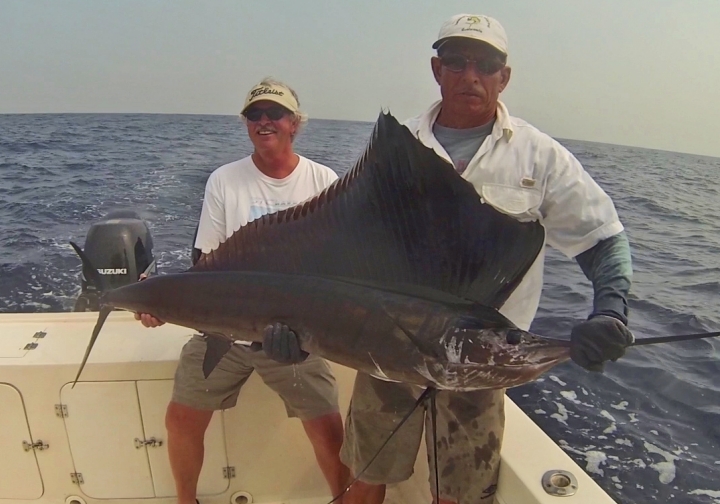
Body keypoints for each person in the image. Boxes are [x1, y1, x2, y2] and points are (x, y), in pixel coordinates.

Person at [267, 14, 634, 503]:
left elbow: (603, 239)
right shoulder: (399, 148)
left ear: (504, 77)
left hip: (479, 368)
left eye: (486, 64)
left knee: (459, 495)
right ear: (437, 70)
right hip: (385, 355)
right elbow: (339, 251)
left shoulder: (539, 156)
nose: (471, 74)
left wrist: (610, 309)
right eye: (457, 61)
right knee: (363, 478)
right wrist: (295, 328)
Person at [135, 78, 349, 504]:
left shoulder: (324, 179)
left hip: (296, 337)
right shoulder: (223, 180)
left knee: (328, 430)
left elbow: (336, 271)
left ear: (295, 124)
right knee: (180, 421)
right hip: (225, 332)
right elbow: (206, 268)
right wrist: (160, 301)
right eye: (255, 114)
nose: (264, 121)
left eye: (276, 114)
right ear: (246, 124)